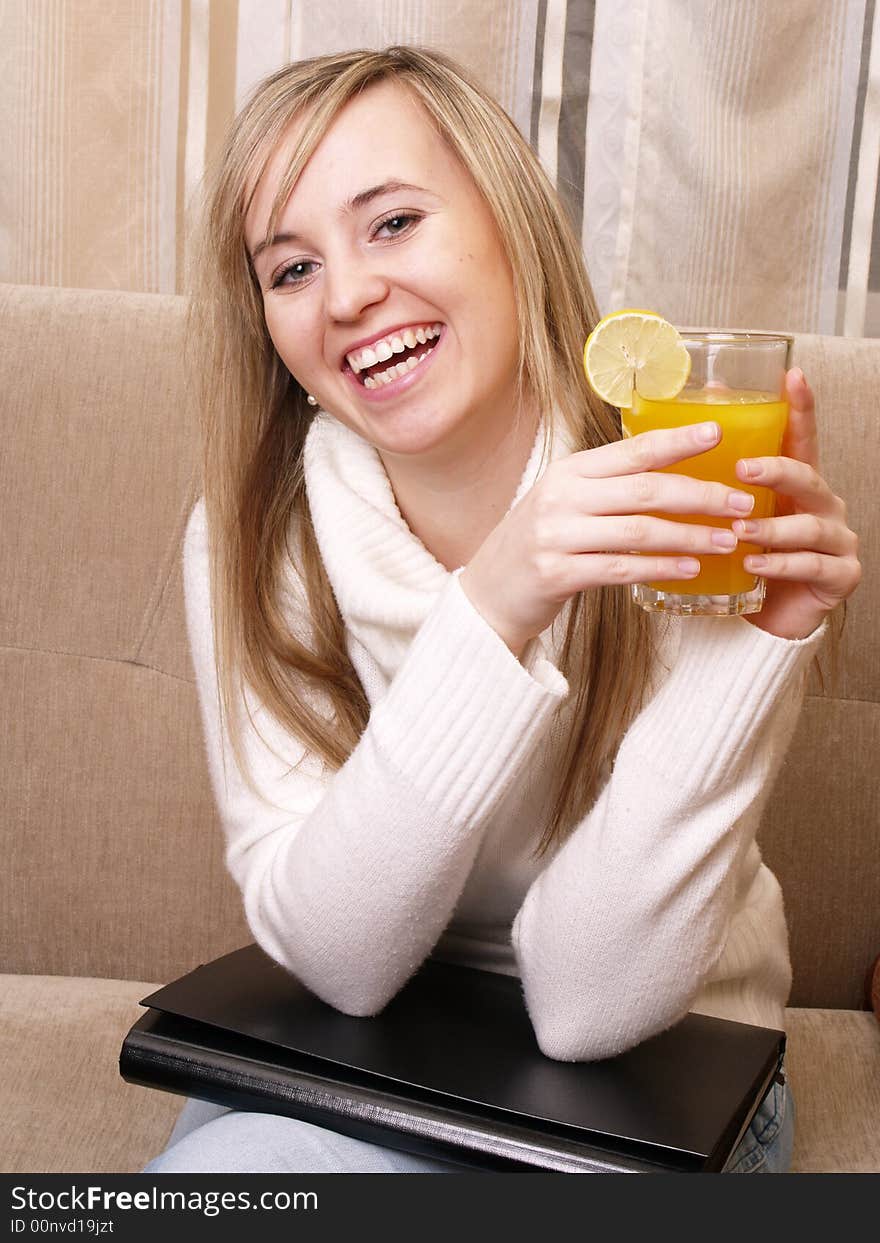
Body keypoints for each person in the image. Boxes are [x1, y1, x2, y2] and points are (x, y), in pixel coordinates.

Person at [143, 45, 861, 1174]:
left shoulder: (686, 493)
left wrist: (754, 649)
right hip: (374, 1051)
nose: (346, 297)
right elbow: (338, 961)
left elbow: (585, 1008)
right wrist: (492, 605)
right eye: (289, 270)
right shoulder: (252, 538)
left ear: (508, 218)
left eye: (390, 224)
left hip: (662, 1095)